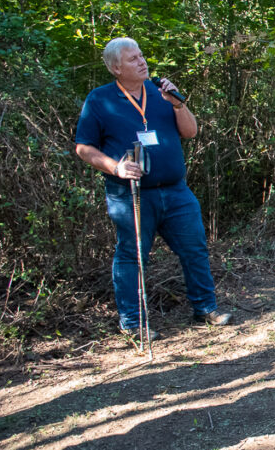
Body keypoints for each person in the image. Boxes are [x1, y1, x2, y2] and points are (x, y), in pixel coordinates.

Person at [74, 37, 231, 340]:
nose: (142, 62)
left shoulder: (160, 93)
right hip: (130, 193)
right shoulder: (100, 99)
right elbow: (83, 147)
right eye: (133, 59)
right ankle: (133, 323)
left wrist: (178, 104)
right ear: (115, 68)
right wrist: (115, 167)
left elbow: (190, 131)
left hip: (175, 190)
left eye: (142, 55)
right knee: (132, 255)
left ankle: (205, 308)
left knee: (194, 248)